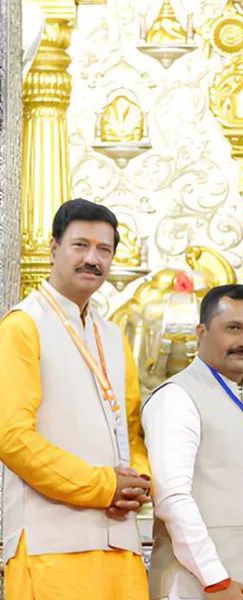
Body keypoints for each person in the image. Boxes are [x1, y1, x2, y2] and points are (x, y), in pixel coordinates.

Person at [0, 198, 151, 600]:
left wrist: (138, 481)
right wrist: (103, 486)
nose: (92, 259)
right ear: (54, 248)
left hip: (120, 544)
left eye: (104, 249)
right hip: (51, 545)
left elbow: (131, 429)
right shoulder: (23, 325)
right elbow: (12, 438)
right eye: (80, 245)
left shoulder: (112, 336)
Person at [143, 284, 243, 600]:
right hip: (200, 587)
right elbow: (173, 498)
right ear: (201, 332)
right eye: (233, 328)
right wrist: (216, 580)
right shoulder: (177, 397)